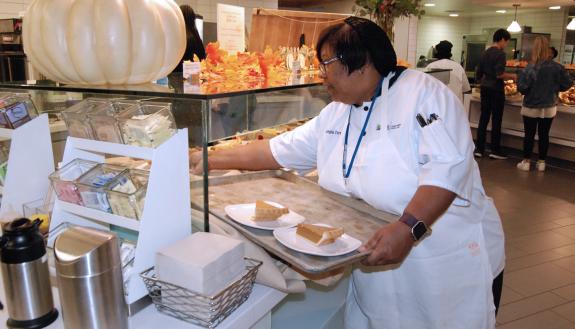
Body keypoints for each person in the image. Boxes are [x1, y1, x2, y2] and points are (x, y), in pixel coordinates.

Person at [190, 17, 505, 329]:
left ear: (363, 62)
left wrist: (408, 227)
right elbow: (276, 150)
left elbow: (446, 170)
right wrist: (206, 159)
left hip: (442, 263)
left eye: (326, 63)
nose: (321, 74)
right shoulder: (337, 112)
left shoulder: (425, 96)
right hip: (380, 263)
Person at [516, 37, 572, 172]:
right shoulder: (558, 67)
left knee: (529, 134)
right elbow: (568, 83)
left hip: (531, 106)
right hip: (549, 106)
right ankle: (541, 162)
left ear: (534, 49)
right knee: (544, 134)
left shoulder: (530, 67)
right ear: (548, 49)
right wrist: (555, 88)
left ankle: (526, 162)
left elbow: (522, 88)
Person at [475, 29, 517, 159]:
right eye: (507, 42)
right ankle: (495, 150)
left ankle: (479, 149)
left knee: (483, 118)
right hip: (496, 90)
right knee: (496, 119)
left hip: (485, 89)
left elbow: (478, 74)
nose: (506, 44)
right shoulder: (500, 54)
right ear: (503, 39)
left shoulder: (485, 52)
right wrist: (513, 76)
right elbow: (499, 74)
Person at [172, 5, 206, 73]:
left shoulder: (176, 36)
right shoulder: (196, 37)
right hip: (192, 73)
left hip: (176, 73)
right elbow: (202, 57)